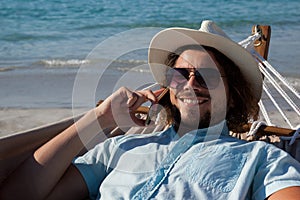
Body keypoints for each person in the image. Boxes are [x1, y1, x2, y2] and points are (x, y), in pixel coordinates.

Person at [1, 20, 300, 200]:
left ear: (232, 96)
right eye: (181, 74)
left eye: (207, 76)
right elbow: (19, 194)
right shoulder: (118, 148)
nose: (191, 84)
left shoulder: (261, 159)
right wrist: (101, 117)